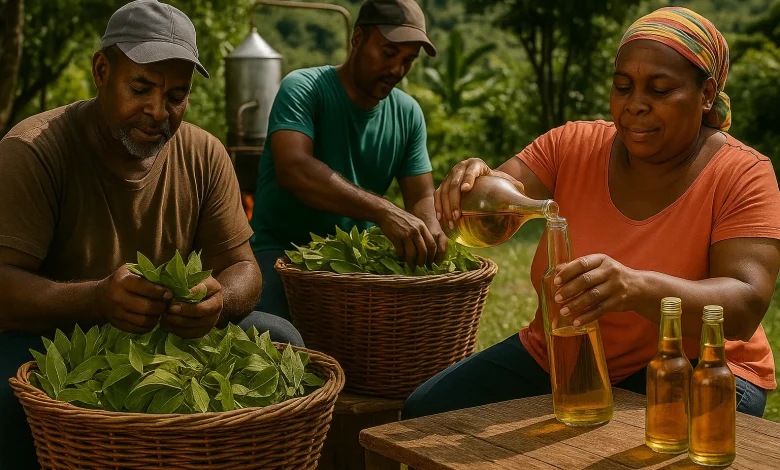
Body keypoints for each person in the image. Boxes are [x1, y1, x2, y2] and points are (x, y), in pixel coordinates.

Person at [404, 6, 780, 420]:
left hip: (694, 364)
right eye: (623, 87)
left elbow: (745, 305)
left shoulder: (742, 173)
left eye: (658, 90)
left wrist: (634, 287)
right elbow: (497, 196)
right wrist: (470, 179)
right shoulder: (571, 146)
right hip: (568, 347)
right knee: (427, 411)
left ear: (706, 94)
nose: (635, 105)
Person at [0, 1, 303, 467]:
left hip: (167, 339)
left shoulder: (204, 154)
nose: (157, 111)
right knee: (7, 388)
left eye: (176, 96)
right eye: (140, 88)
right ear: (102, 71)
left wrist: (217, 299)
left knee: (280, 337)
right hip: (57, 340)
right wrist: (96, 299)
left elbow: (244, 267)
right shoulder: (34, 151)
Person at [250, 0, 446, 321]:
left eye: (408, 60)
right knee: (273, 329)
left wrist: (429, 232)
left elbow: (422, 195)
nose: (397, 69)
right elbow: (294, 169)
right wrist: (384, 211)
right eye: (388, 53)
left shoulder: (408, 113)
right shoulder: (304, 88)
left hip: (357, 262)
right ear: (357, 40)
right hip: (281, 253)